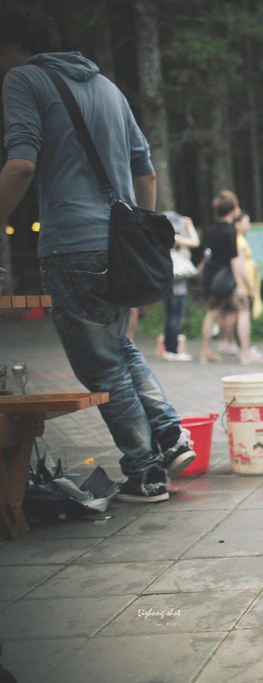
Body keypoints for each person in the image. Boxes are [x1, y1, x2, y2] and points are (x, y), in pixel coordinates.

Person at [0, 3, 195, 502]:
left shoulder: (24, 80)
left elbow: (20, 165)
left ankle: (146, 471)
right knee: (119, 349)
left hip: (72, 245)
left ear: (13, 44)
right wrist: (135, 233)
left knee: (100, 365)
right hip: (116, 244)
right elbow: (145, 170)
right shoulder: (107, 86)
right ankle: (170, 435)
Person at [199, 190, 243, 363]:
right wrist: (239, 284)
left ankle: (206, 349)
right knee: (232, 310)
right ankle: (241, 348)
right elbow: (234, 259)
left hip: (212, 274)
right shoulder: (231, 231)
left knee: (212, 313)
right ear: (233, 209)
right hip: (224, 276)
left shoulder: (212, 229)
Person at [161, 211, 199, 361]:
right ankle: (172, 350)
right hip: (177, 284)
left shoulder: (162, 238)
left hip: (168, 283)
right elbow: (195, 242)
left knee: (170, 315)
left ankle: (169, 348)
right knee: (175, 315)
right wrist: (189, 225)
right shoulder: (173, 237)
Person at [233, 211, 263, 364]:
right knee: (244, 314)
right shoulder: (239, 241)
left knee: (244, 314)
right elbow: (239, 264)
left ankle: (245, 350)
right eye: (247, 221)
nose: (249, 225)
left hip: (245, 284)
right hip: (244, 285)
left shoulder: (240, 240)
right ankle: (245, 351)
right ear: (238, 224)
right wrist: (248, 286)